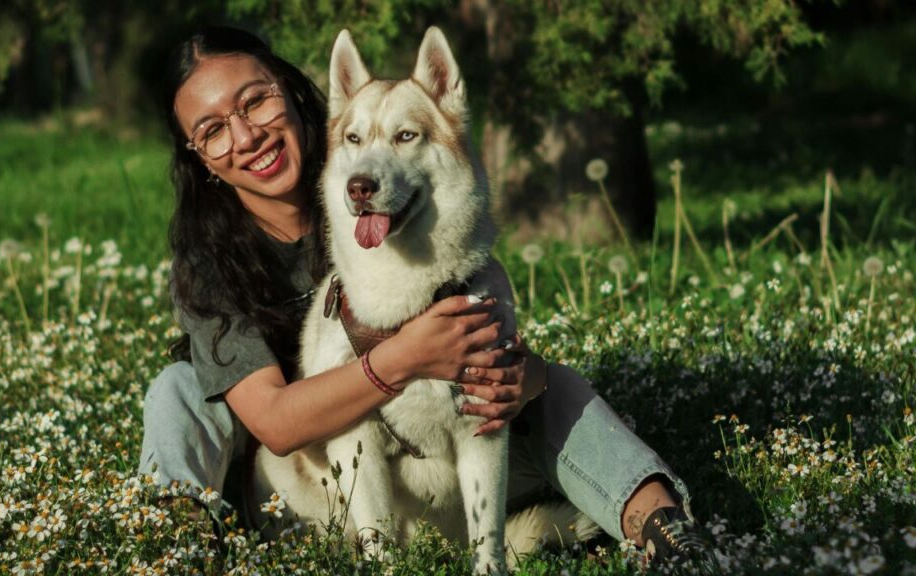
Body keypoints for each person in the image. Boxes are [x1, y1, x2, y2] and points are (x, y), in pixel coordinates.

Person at [140, 25, 702, 564]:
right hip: (314, 481)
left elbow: (486, 327)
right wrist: (404, 357)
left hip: (444, 464)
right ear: (198, 157)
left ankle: (663, 528)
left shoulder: (381, 164)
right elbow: (277, 425)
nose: (245, 136)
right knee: (181, 385)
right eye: (212, 130)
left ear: (289, 90)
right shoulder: (208, 260)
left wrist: (518, 378)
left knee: (555, 384)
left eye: (255, 102)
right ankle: (172, 541)